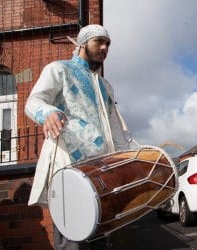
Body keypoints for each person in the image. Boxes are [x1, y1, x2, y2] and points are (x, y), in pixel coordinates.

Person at [25, 24, 130, 249]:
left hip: (101, 173)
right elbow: (33, 102)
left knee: (101, 239)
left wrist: (126, 160)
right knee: (72, 241)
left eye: (108, 44)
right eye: (98, 42)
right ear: (82, 43)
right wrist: (48, 113)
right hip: (68, 169)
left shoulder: (105, 86)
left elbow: (116, 130)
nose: (104, 48)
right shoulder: (58, 69)